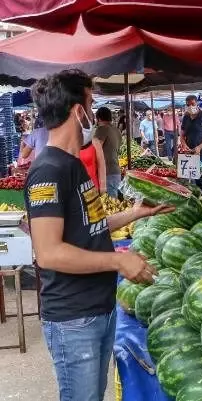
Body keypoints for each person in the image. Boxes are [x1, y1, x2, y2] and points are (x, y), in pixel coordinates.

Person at [25, 69, 173, 401]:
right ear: (79, 111)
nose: (94, 112)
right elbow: (49, 252)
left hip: (98, 308)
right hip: (73, 318)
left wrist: (136, 213)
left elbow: (90, 224)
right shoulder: (48, 170)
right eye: (91, 103)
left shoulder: (73, 164)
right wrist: (117, 263)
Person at [180, 95, 202, 195]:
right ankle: (195, 201)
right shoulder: (186, 116)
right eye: (188, 105)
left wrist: (199, 147)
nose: (190, 106)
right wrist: (183, 144)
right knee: (191, 181)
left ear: (197, 103)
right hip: (190, 154)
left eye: (192, 104)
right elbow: (182, 135)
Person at [94, 107, 122, 198]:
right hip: (116, 171)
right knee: (114, 203)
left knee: (109, 206)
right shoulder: (116, 130)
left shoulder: (102, 129)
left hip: (107, 173)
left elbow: (95, 150)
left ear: (98, 118)